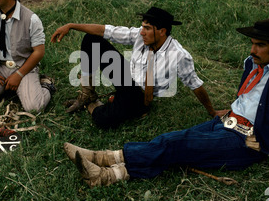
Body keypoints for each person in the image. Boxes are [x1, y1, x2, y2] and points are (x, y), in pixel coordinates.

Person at [63, 18, 269, 187]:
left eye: (259, 45)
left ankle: (106, 174)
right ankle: (106, 162)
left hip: (252, 141)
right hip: (229, 122)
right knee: (173, 140)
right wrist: (227, 111)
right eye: (252, 43)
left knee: (174, 146)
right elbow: (249, 96)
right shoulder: (253, 63)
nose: (252, 49)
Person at [51, 7, 217, 128]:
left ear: (162, 31)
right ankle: (87, 94)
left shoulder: (179, 55)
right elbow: (105, 31)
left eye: (147, 28)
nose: (142, 32)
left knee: (102, 119)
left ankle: (94, 105)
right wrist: (71, 25)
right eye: (142, 27)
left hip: (139, 96)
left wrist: (212, 112)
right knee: (91, 39)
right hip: (128, 78)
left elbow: (195, 85)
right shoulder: (140, 35)